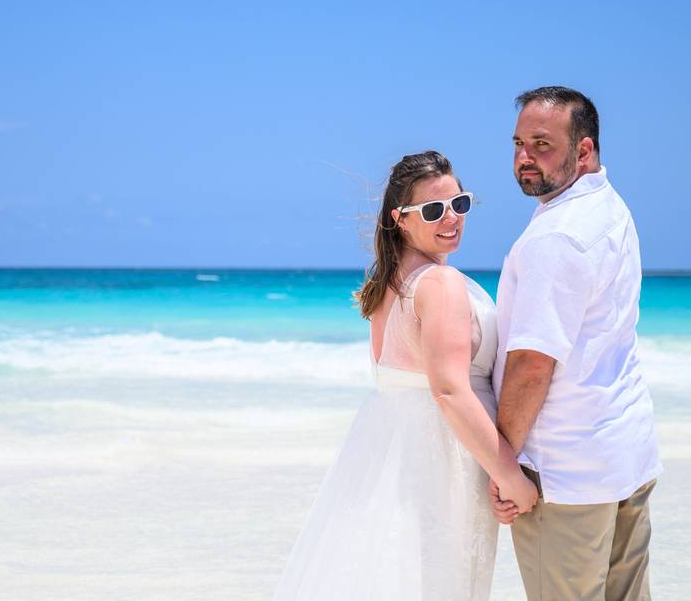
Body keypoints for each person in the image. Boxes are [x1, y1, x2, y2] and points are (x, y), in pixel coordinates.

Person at [272, 151, 537, 601]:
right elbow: (449, 391)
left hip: (394, 453)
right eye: (433, 210)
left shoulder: (386, 286)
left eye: (460, 204)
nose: (451, 218)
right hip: (442, 459)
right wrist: (511, 477)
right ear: (400, 219)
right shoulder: (439, 284)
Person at [489, 86, 663, 600]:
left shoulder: (557, 237)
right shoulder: (610, 206)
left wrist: (504, 465)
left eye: (541, 145)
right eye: (518, 144)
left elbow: (531, 365)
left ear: (583, 150)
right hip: (624, 455)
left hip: (567, 473)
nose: (524, 158)